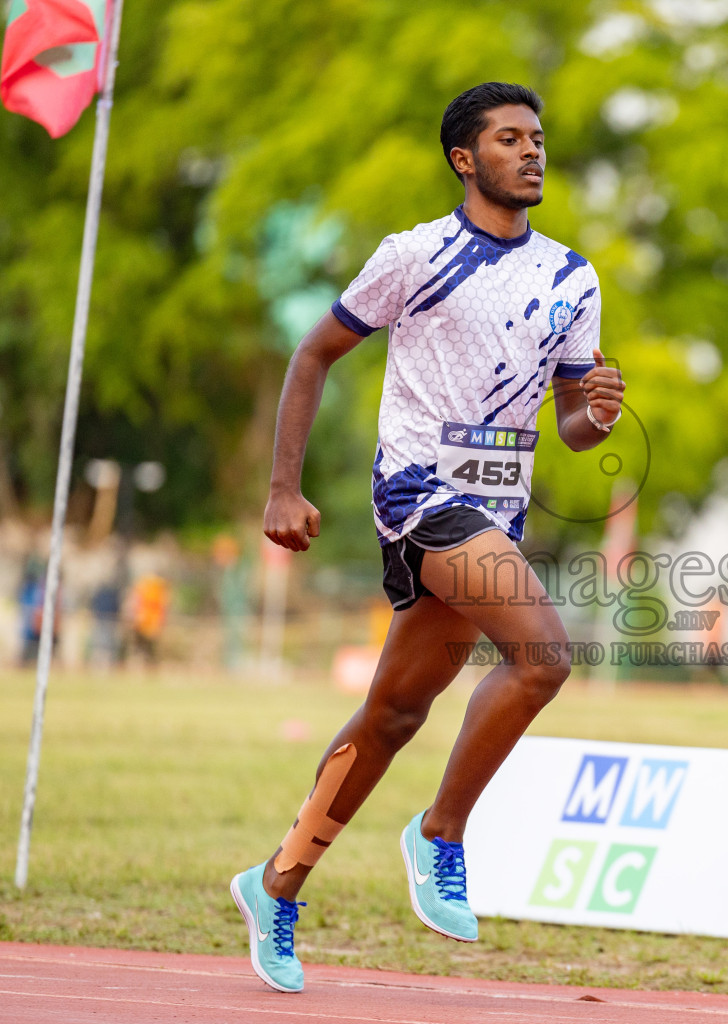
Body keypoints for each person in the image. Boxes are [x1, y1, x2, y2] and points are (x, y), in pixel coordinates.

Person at [229, 82, 625, 994]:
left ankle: (275, 882)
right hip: (419, 496)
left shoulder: (573, 278)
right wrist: (283, 487)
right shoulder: (417, 254)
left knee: (395, 713)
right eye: (509, 139)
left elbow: (572, 425)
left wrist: (597, 416)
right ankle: (440, 833)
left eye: (537, 138)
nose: (532, 152)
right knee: (544, 657)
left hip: (497, 514)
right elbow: (313, 353)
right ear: (464, 158)